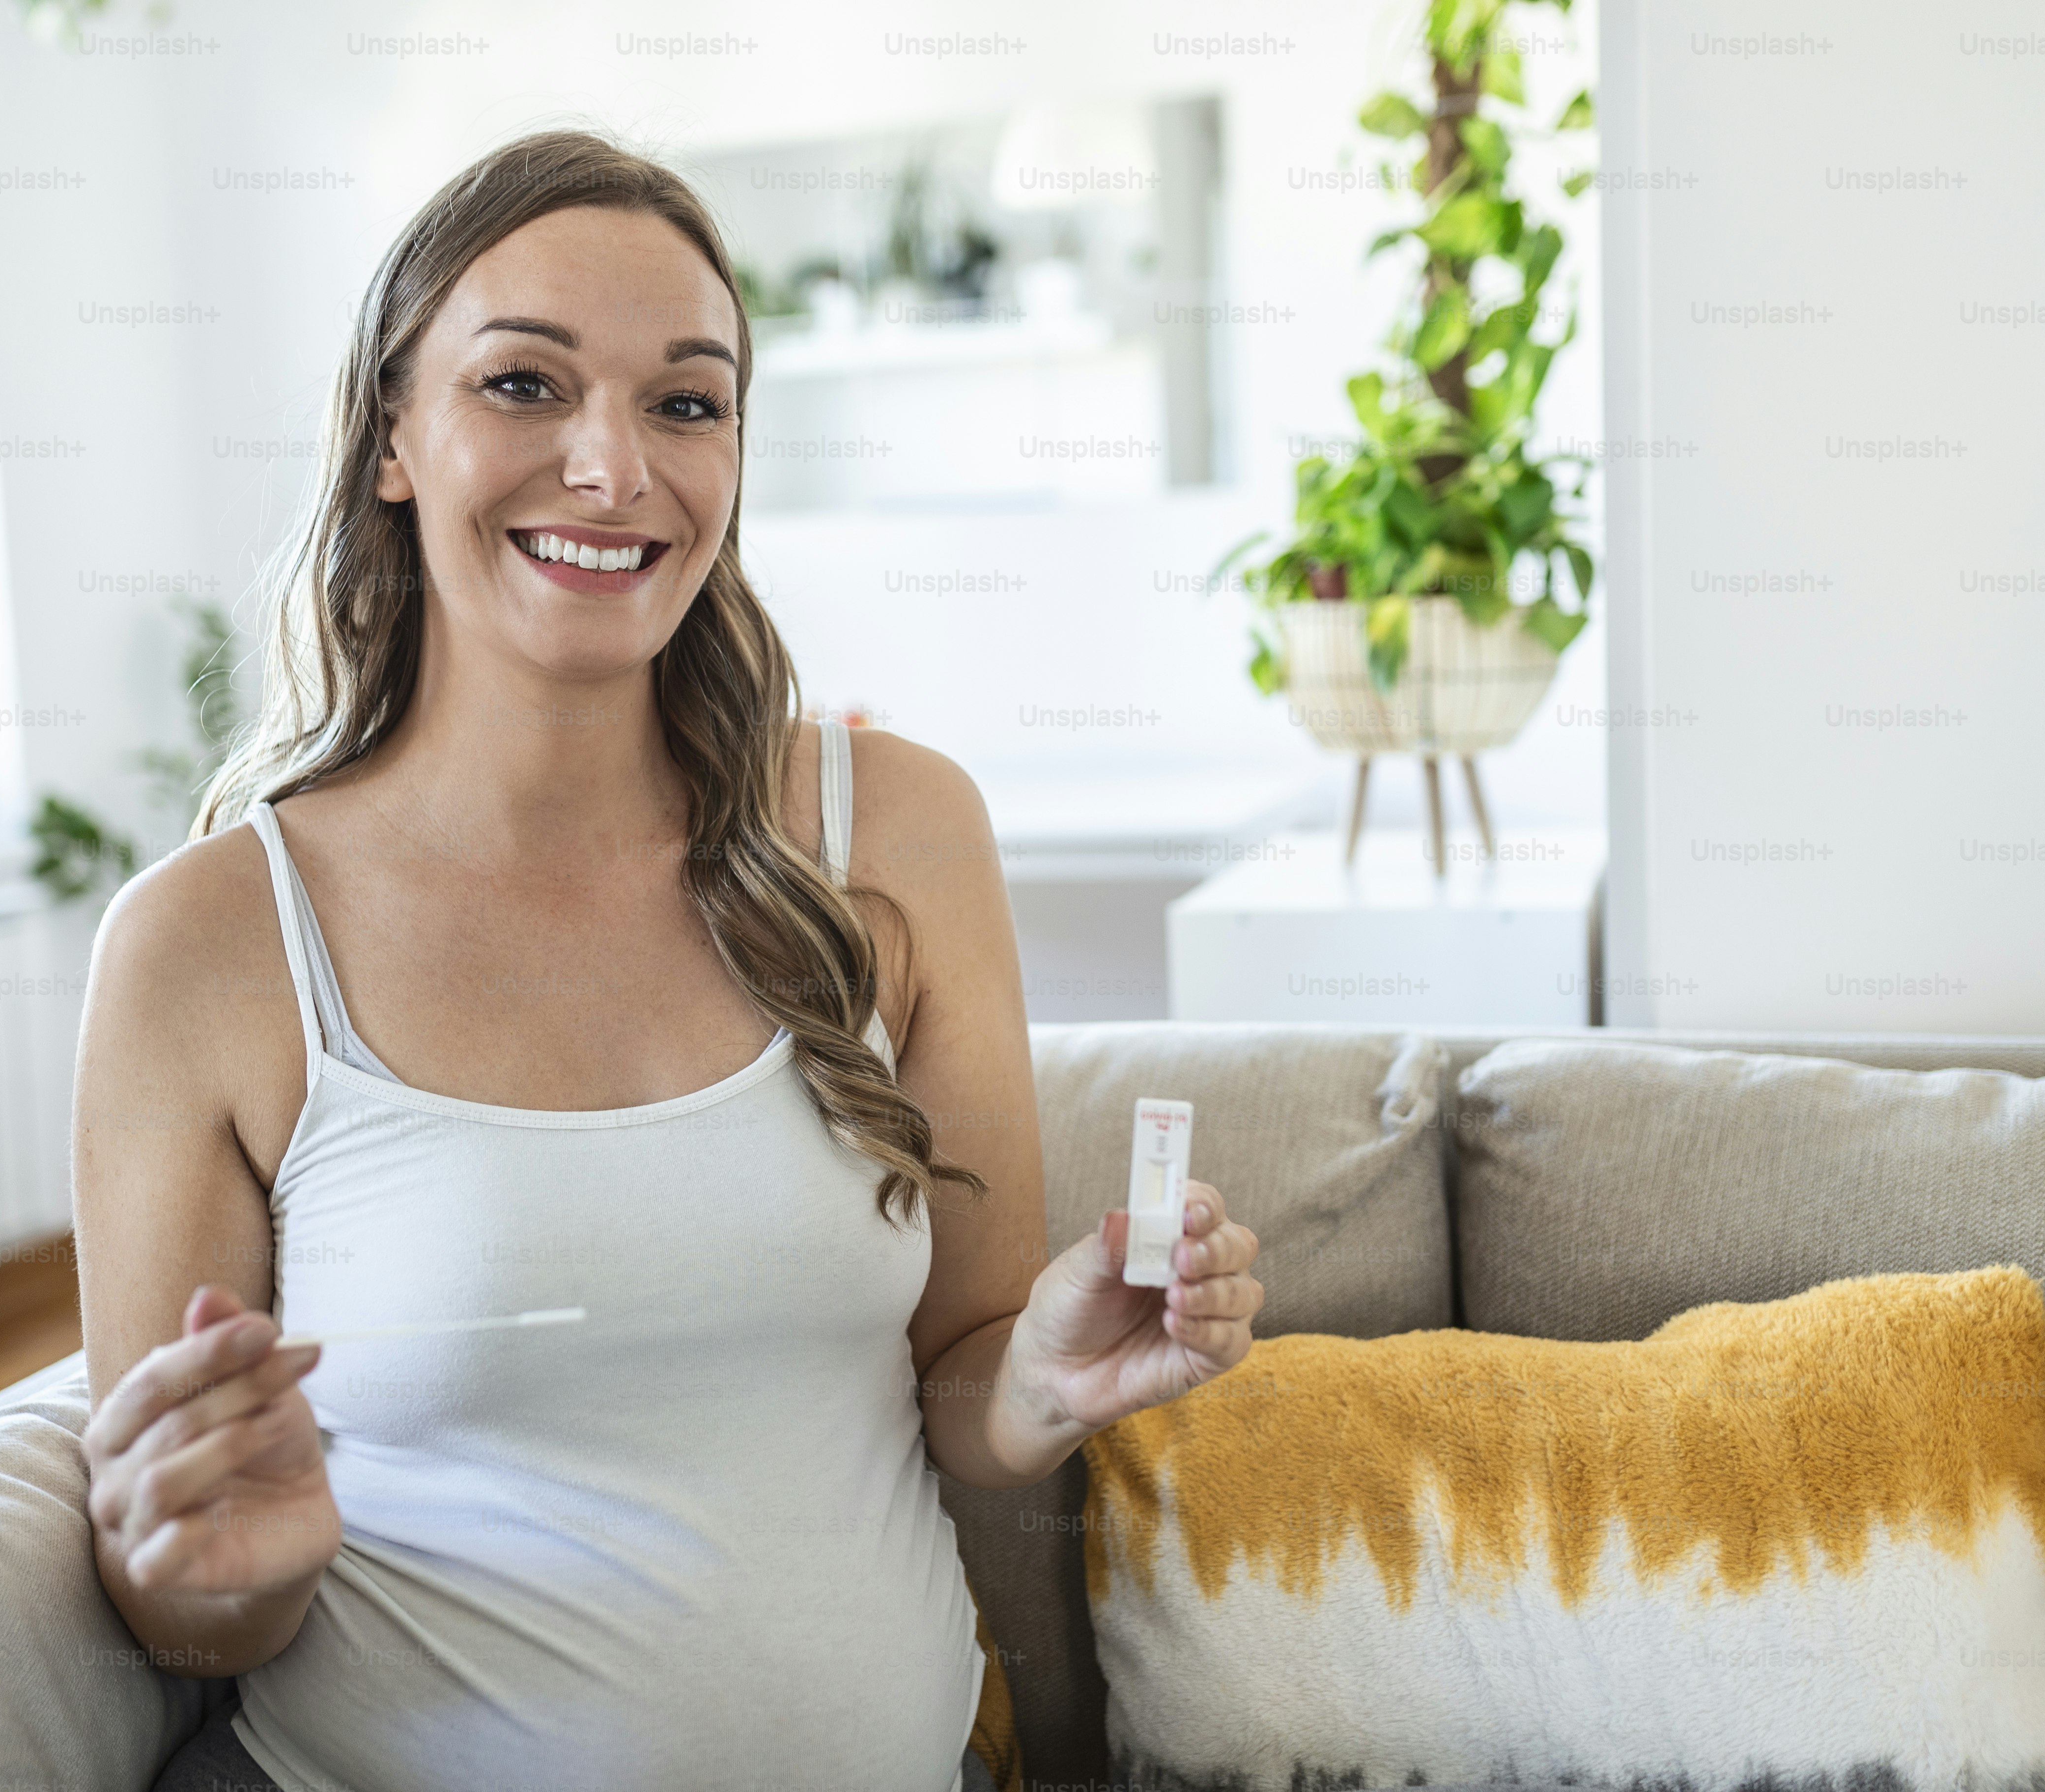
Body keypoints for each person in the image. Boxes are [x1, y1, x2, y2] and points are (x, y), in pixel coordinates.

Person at [70, 129, 1263, 1792]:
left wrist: (1049, 1373)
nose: (615, 469)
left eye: (686, 404)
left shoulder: (899, 836)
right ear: (392, 437)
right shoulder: (204, 949)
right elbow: (184, 1614)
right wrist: (221, 1573)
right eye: (524, 386)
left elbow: (965, 1385)